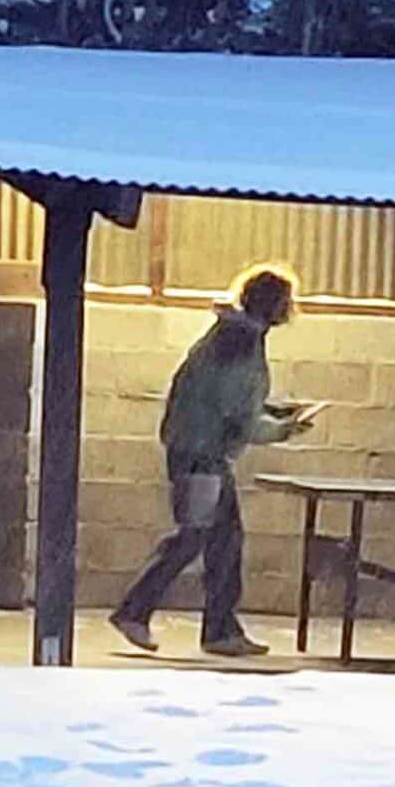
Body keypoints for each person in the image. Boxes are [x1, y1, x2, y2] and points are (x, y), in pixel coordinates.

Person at [110, 265, 312, 657]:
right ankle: (148, 613)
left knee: (216, 539)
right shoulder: (240, 343)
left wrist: (274, 411)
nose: (291, 309)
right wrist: (284, 430)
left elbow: (229, 399)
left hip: (194, 450)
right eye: (287, 301)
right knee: (201, 538)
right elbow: (239, 417)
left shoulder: (232, 334)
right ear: (273, 305)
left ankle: (208, 626)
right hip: (203, 455)